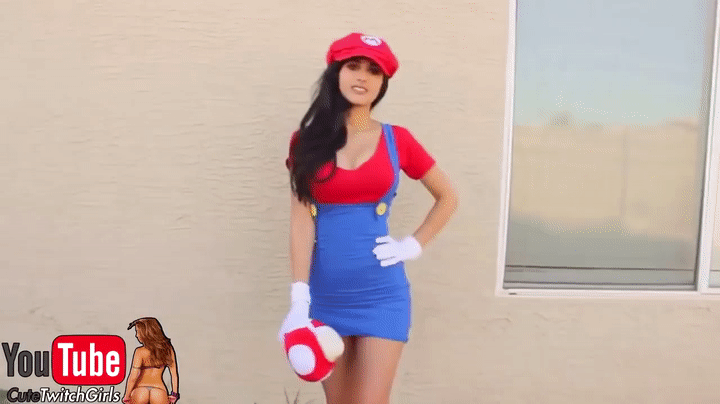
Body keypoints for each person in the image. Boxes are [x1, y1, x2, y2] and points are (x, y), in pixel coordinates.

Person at [278, 32, 459, 404]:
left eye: (374, 71)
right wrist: (299, 297)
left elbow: (448, 197)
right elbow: (301, 220)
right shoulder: (306, 141)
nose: (362, 76)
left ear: (382, 83)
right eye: (354, 66)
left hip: (382, 294)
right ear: (337, 73)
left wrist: (413, 245)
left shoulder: (398, 139)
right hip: (325, 295)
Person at [123, 317, 180, 404]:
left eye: (138, 332)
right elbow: (174, 375)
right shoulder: (168, 349)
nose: (136, 335)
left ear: (146, 333)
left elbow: (133, 377)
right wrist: (174, 394)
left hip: (140, 390)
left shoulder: (139, 351)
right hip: (159, 391)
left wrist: (127, 396)